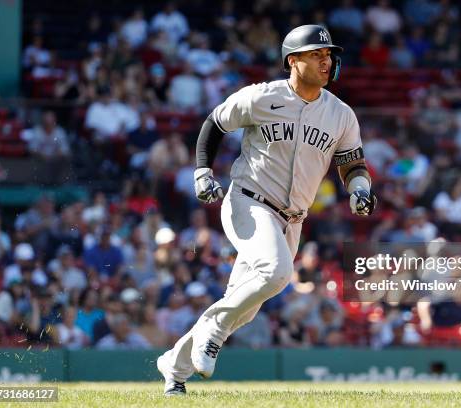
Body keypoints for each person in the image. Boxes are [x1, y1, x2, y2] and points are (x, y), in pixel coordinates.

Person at [157, 24, 376, 395]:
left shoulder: (341, 114)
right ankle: (214, 328)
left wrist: (359, 188)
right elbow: (215, 122)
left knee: (245, 307)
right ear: (293, 60)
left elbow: (352, 164)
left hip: (292, 220)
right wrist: (201, 171)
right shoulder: (263, 97)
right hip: (248, 201)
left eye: (328, 55)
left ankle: (174, 366)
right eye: (316, 55)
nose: (327, 61)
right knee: (275, 272)